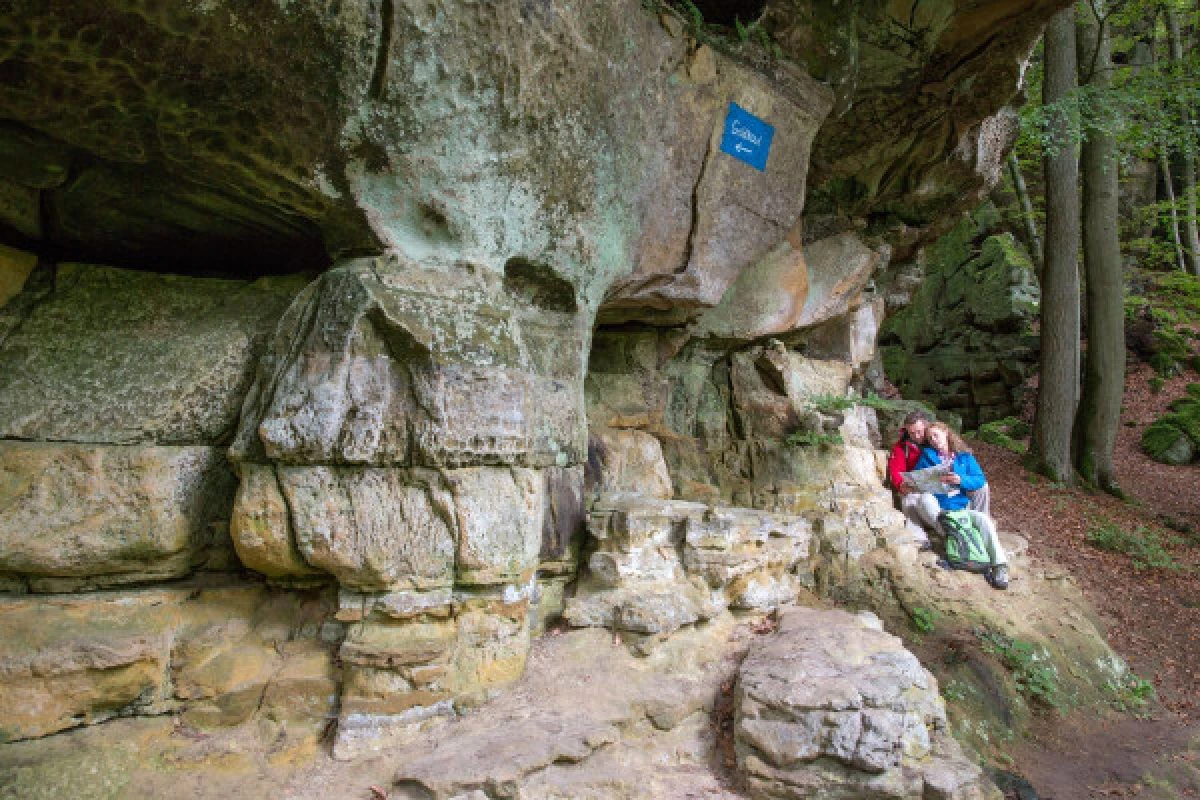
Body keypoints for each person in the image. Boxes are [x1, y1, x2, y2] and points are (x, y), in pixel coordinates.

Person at [911, 422, 1009, 589]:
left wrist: (961, 480)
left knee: (983, 519)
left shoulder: (964, 456)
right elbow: (917, 480)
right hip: (940, 510)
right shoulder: (927, 456)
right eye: (930, 438)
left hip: (961, 510)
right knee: (924, 499)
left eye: (936, 435)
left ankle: (1000, 567)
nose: (933, 440)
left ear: (946, 433)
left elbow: (980, 479)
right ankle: (951, 533)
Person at [888, 410, 932, 544]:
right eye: (912, 433)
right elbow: (896, 471)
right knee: (908, 497)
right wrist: (901, 484)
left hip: (940, 482)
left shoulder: (937, 438)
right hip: (917, 486)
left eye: (920, 431)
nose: (917, 436)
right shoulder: (902, 447)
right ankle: (919, 537)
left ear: (926, 426)